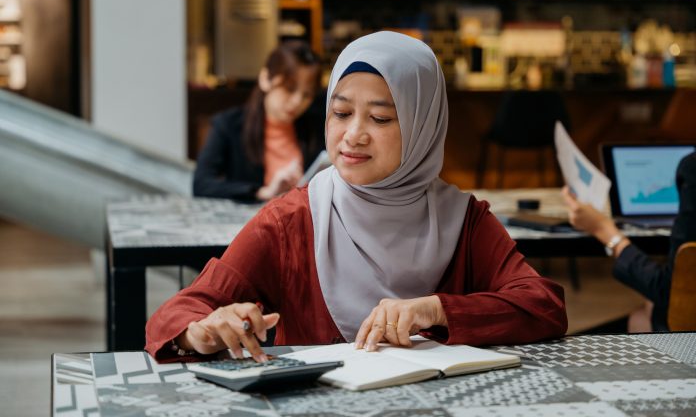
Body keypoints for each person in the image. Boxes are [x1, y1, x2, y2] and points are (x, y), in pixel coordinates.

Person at [146, 31, 567, 362]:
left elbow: (544, 306)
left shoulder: (463, 220)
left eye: (380, 117)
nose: (353, 135)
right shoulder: (292, 220)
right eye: (341, 112)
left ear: (423, 127)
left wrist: (436, 310)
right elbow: (178, 313)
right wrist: (199, 332)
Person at [562, 152, 696, 332]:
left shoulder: (692, 167)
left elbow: (669, 291)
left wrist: (604, 230)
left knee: (642, 316)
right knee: (648, 308)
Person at [193, 40, 325, 202]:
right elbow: (202, 184)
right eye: (289, 89)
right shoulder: (228, 125)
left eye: (307, 95)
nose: (297, 102)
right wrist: (262, 192)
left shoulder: (317, 126)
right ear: (265, 79)